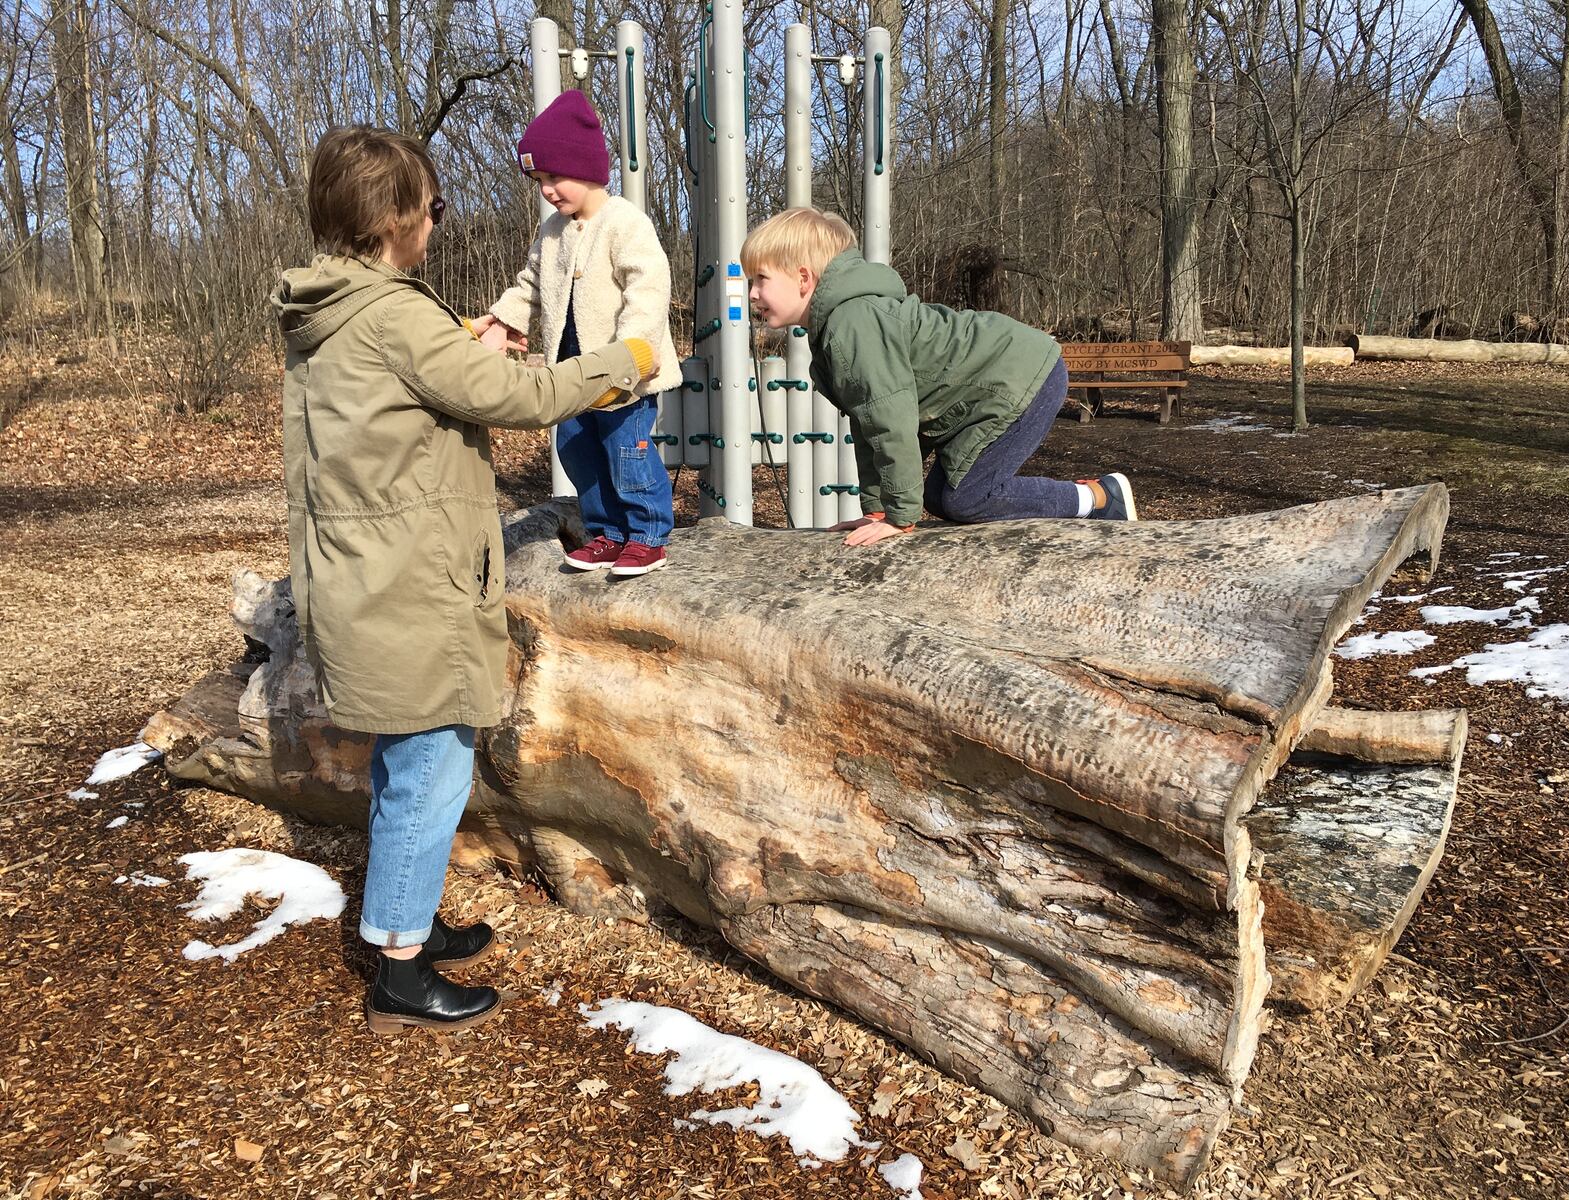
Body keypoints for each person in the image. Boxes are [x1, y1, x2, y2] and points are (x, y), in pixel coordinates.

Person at [272, 125, 656, 1035]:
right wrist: (624, 362)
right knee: (431, 765)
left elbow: (429, 390)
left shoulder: (331, 310)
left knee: (411, 761)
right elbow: (516, 401)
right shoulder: (394, 315)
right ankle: (400, 971)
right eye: (435, 208)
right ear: (397, 218)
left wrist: (470, 343)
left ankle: (407, 922)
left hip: (370, 570)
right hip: (409, 583)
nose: (439, 223)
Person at [742, 208, 1136, 546]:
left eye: (761, 279)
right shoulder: (839, 327)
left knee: (966, 498)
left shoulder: (855, 323)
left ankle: (1101, 498)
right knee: (940, 497)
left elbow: (891, 422)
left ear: (803, 278)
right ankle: (1096, 497)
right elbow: (870, 427)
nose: (753, 293)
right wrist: (879, 510)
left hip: (1022, 376)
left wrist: (900, 517)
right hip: (992, 385)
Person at [478, 90, 681, 577]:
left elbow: (648, 287)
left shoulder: (624, 223)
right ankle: (607, 533)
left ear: (587, 166)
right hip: (568, 376)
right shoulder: (552, 231)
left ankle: (648, 534)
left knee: (625, 452)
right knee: (579, 453)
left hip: (620, 373)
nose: (548, 189)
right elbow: (529, 283)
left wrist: (634, 349)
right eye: (540, 180)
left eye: (555, 176)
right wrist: (505, 320)